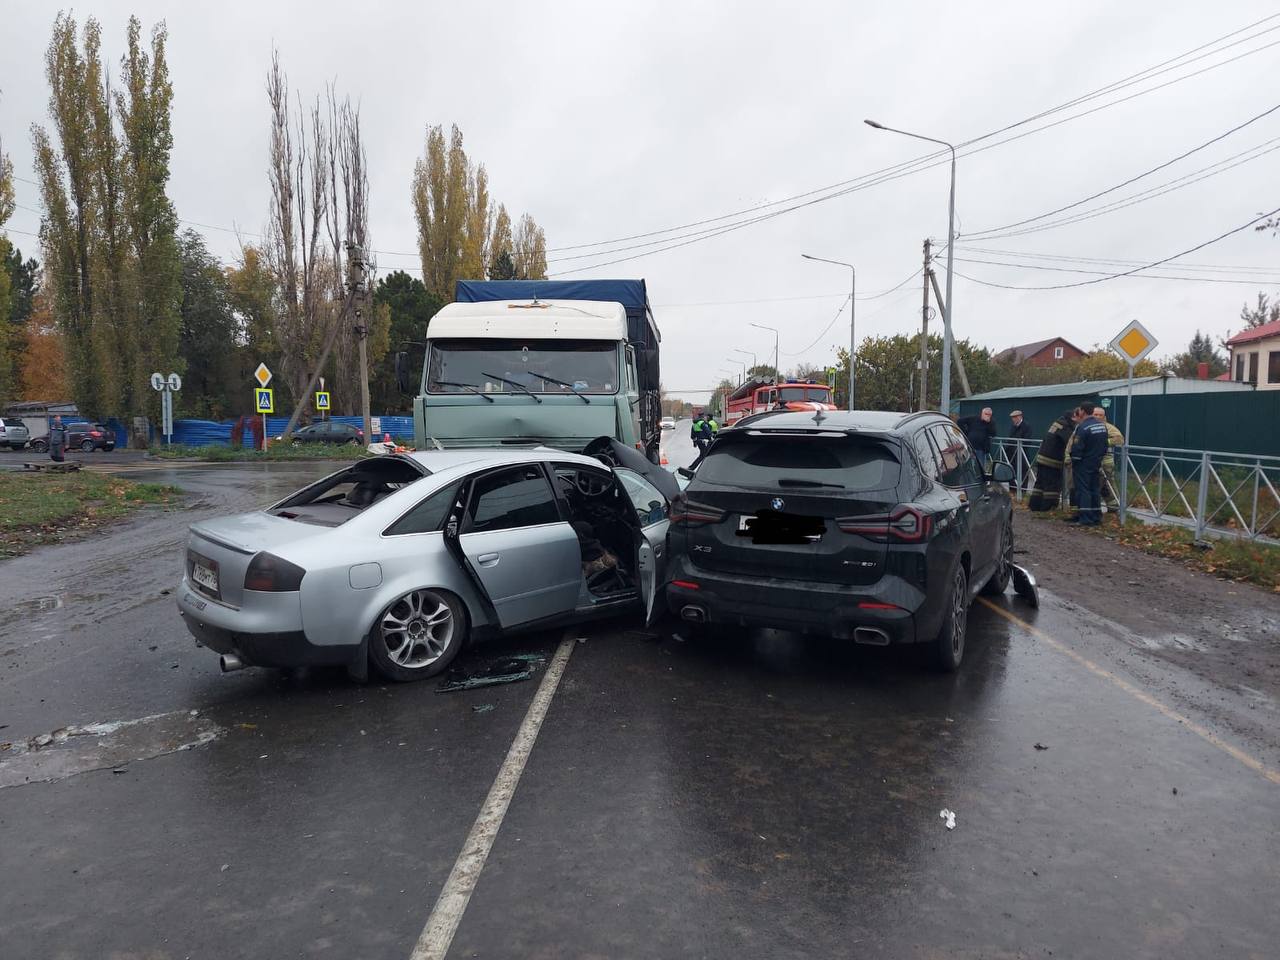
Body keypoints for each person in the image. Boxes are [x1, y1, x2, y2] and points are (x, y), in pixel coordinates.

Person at [1068, 402, 1109, 526]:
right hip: (1096, 461)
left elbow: (1077, 447)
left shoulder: (1083, 427)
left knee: (1083, 490)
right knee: (1094, 488)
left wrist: (1074, 461)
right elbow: (1104, 445)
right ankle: (1096, 516)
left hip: (1083, 463)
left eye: (1079, 410)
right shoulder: (1101, 426)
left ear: (1082, 411)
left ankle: (1085, 518)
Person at [1028, 410, 1074, 511]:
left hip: (1042, 457)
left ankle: (1034, 505)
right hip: (1052, 460)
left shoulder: (1057, 424)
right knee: (1051, 485)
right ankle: (1048, 507)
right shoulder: (1065, 427)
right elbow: (1070, 441)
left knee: (1039, 484)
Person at [1094, 406, 1125, 511]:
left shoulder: (1108, 427)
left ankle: (1112, 507)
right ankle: (1110, 506)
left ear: (1104, 417)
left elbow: (1119, 439)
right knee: (1102, 485)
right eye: (1095, 414)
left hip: (1105, 462)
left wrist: (1103, 442)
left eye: (1100, 415)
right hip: (1092, 460)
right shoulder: (1085, 426)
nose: (1098, 417)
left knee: (1105, 484)